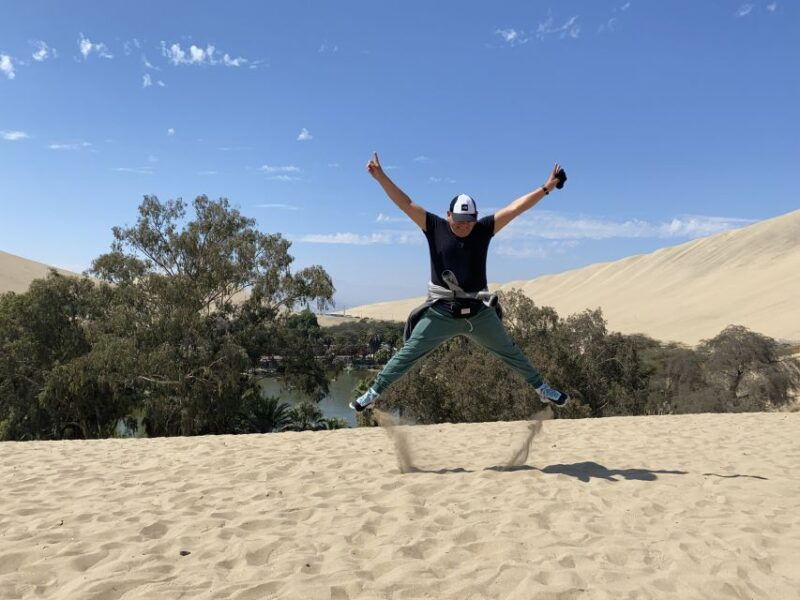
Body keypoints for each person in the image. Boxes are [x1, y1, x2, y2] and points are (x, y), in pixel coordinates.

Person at [350, 152, 570, 413]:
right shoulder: (434, 226)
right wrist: (381, 177)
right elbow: (405, 203)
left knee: (511, 352)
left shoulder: (484, 229)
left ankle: (542, 389)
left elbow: (515, 208)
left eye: (470, 220)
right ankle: (373, 393)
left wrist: (547, 187)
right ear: (449, 215)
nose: (464, 226)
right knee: (407, 354)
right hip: (441, 313)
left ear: (476, 217)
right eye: (459, 220)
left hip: (479, 314)